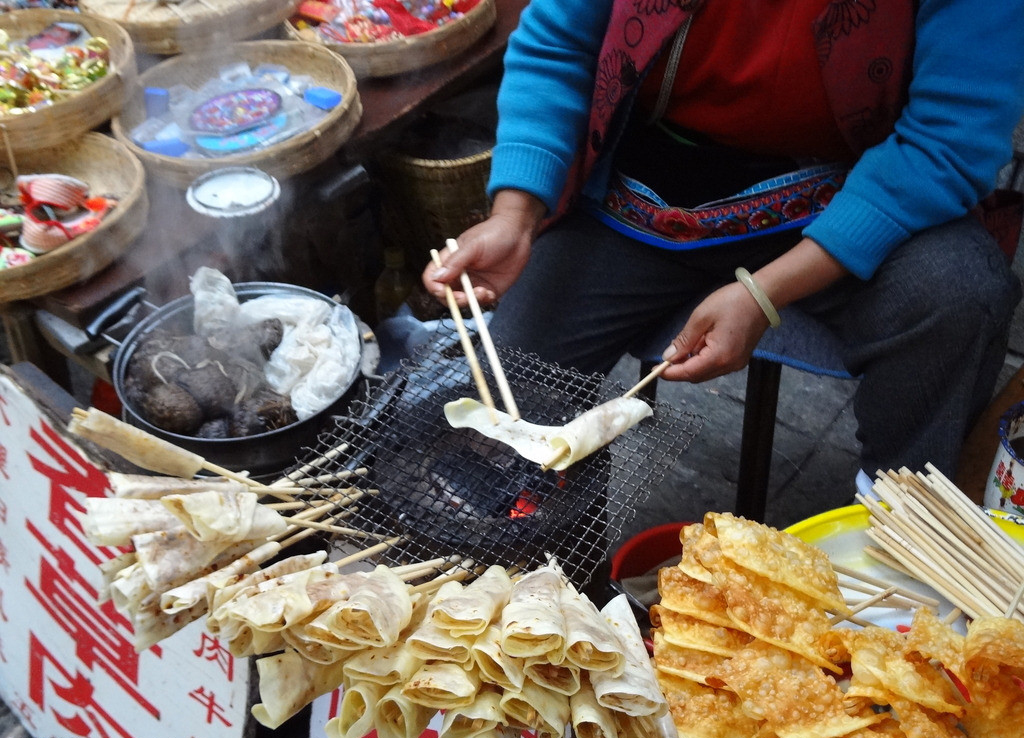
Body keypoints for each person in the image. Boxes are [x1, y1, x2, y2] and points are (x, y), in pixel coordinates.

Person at [422, 0, 1024, 482]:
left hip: (847, 193)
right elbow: (559, 46)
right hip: (643, 196)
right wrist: (516, 214)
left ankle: (900, 540)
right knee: (502, 412)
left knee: (959, 291)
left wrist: (765, 293)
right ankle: (548, 617)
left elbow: (947, 140)